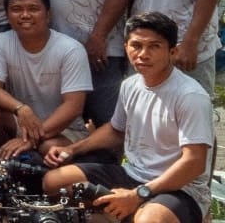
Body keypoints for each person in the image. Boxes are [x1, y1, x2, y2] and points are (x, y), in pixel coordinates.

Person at [42, 13, 214, 223]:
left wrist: (138, 195)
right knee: (53, 182)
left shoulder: (190, 96)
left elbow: (194, 162)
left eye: (154, 46)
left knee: (150, 221)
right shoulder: (130, 85)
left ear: (172, 51)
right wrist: (72, 150)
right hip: (132, 174)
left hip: (181, 187)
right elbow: (116, 130)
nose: (143, 54)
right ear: (126, 48)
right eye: (136, 45)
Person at [0, 0, 92, 159]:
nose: (25, 15)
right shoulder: (1, 42)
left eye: (33, 9)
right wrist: (20, 108)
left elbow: (73, 106)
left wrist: (31, 140)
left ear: (48, 14)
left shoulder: (71, 49)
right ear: (7, 15)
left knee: (49, 147)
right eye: (16, 9)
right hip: (22, 122)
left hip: (64, 130)